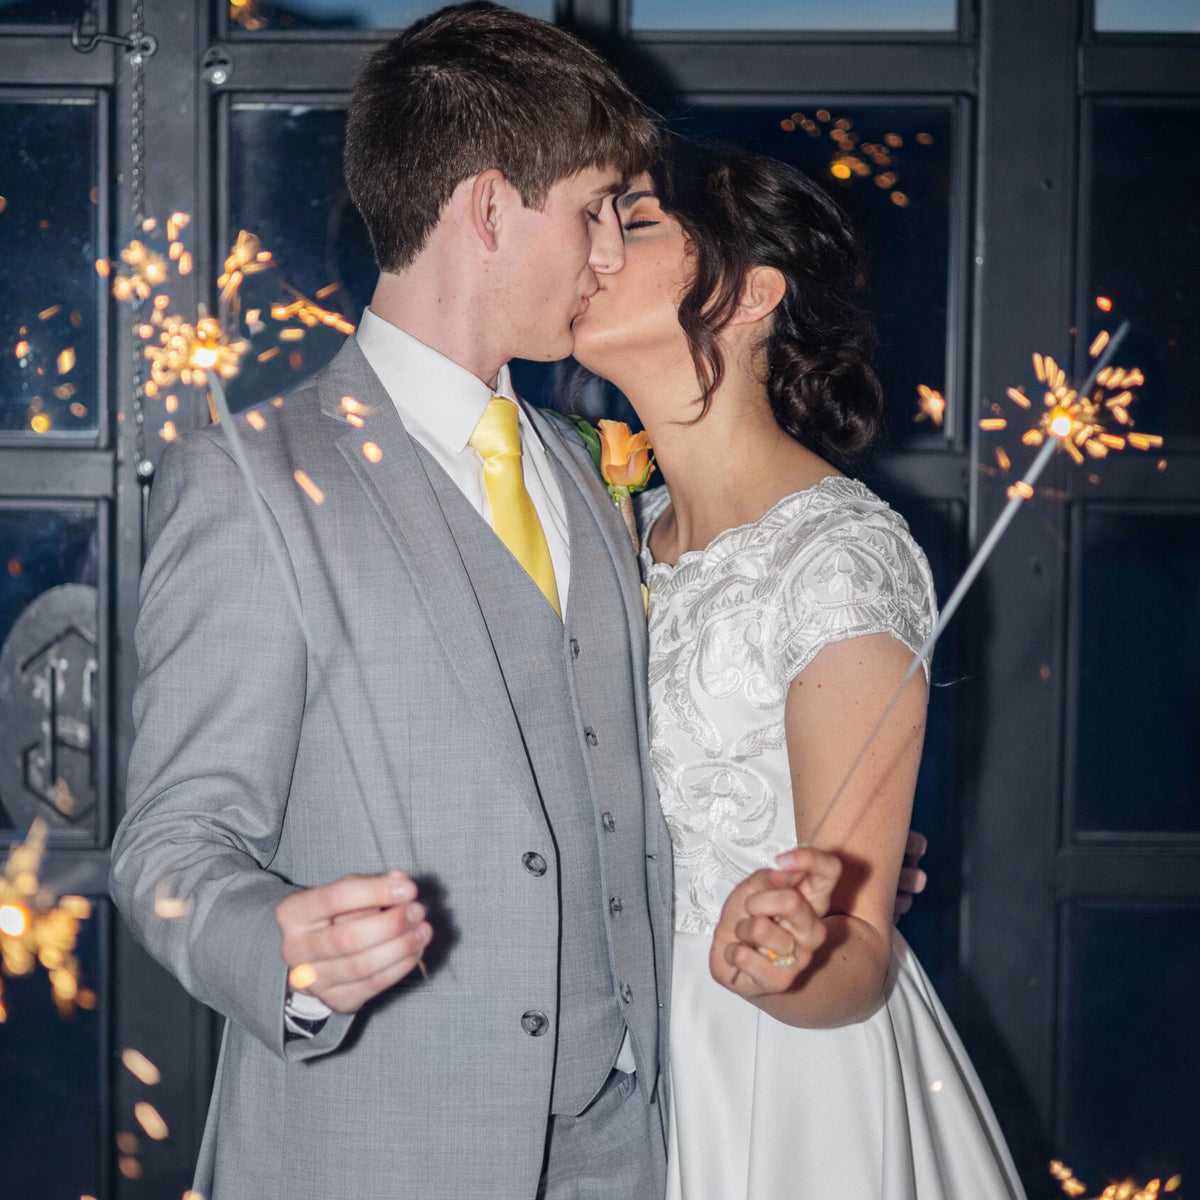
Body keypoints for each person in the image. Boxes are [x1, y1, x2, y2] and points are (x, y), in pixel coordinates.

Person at [109, 6, 674, 1198]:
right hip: (378, 1154)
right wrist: (275, 948)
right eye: (591, 214)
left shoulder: (584, 463)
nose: (609, 258)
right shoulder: (253, 484)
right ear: (486, 211)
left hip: (631, 1145)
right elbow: (166, 844)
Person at [571, 138, 1027, 1199]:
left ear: (749, 292)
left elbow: (856, 949)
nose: (594, 249)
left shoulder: (841, 559)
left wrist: (789, 967)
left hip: (773, 1076)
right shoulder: (606, 524)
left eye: (631, 223)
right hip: (611, 1065)